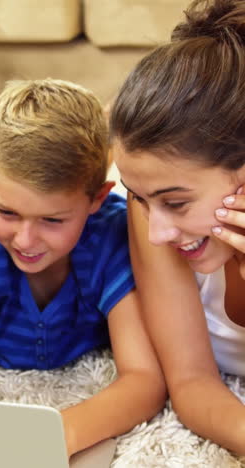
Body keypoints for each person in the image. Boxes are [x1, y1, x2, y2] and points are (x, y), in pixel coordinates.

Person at [0, 78, 166, 456]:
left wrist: (43, 443)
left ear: (98, 197)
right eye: (8, 212)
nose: (25, 240)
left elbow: (145, 382)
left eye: (52, 220)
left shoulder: (113, 237)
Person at [109, 0, 245, 456]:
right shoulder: (148, 207)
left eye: (177, 203)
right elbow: (190, 382)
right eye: (144, 200)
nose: (156, 233)